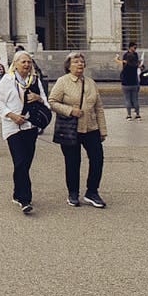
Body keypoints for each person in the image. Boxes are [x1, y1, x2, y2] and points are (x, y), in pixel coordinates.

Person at [49, 51, 108, 208]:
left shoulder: (90, 83)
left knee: (97, 159)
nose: (80, 64)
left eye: (82, 61)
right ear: (68, 66)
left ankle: (92, 192)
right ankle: (73, 193)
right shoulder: (63, 82)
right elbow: (52, 101)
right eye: (75, 62)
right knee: (73, 162)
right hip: (71, 128)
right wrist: (69, 110)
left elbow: (99, 107)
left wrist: (103, 129)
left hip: (91, 128)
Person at [0, 50, 49, 213]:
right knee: (20, 162)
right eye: (23, 62)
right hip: (13, 127)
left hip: (30, 127)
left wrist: (38, 98)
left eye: (29, 62)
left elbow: (46, 101)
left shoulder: (35, 81)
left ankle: (17, 194)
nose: (26, 65)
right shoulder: (7, 80)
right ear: (15, 64)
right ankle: (26, 200)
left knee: (25, 163)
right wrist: (11, 115)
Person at [115, 41, 142, 119]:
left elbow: (118, 61)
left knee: (127, 99)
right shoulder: (135, 65)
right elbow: (138, 64)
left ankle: (129, 115)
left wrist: (117, 58)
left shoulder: (125, 63)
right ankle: (137, 114)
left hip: (126, 83)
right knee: (135, 99)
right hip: (134, 82)